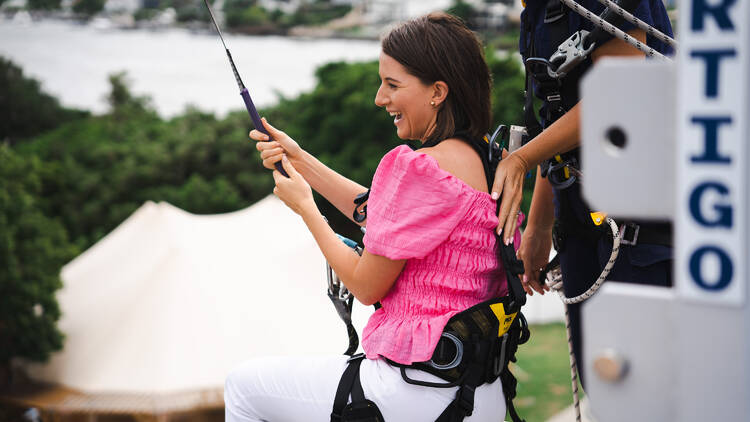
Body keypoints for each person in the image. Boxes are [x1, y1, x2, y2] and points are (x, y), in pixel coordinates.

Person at [225, 13, 524, 422]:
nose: (380, 99)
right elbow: (383, 214)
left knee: (243, 387)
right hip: (480, 395)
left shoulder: (418, 167)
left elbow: (366, 286)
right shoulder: (495, 164)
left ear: (437, 92)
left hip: (414, 390)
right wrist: (298, 157)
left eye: (392, 85)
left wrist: (306, 208)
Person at [490, 0, 674, 385]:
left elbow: (619, 95)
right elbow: (555, 118)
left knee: (647, 384)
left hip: (644, 219)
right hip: (581, 220)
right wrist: (539, 226)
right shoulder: (537, 10)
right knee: (602, 381)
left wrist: (521, 159)